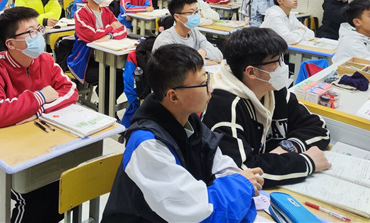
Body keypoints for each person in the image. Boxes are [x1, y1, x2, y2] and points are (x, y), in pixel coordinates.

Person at [102, 44, 263, 223]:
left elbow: (218, 163)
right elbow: (200, 213)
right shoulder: (147, 144)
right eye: (203, 83)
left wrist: (239, 180)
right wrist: (241, 185)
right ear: (174, 96)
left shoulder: (188, 119)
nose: (211, 89)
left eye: (208, 78)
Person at [0, 6, 78, 223]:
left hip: (40, 144)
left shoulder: (45, 59)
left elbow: (70, 90)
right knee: (34, 198)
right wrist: (40, 97)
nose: (38, 36)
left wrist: (39, 110)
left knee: (63, 192)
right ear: (11, 43)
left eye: (38, 29)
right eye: (31, 32)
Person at [203, 27, 331, 187]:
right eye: (276, 61)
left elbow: (319, 128)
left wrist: (288, 147)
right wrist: (307, 162)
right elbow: (243, 171)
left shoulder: (274, 90)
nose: (283, 67)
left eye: (282, 59)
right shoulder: (224, 106)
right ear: (251, 72)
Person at [69, 0, 127, 101]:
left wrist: (109, 36)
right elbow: (92, 35)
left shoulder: (106, 11)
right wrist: (110, 28)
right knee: (109, 78)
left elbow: (123, 30)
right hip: (87, 61)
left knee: (122, 77)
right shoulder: (80, 14)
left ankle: (105, 106)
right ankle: (105, 108)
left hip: (107, 58)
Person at [153, 0, 222, 65]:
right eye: (191, 12)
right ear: (177, 17)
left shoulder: (194, 32)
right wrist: (205, 62)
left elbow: (219, 55)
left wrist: (204, 52)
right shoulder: (165, 40)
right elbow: (180, 66)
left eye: (196, 12)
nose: (196, 16)